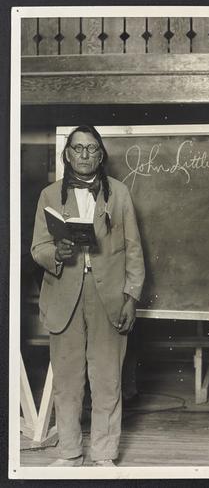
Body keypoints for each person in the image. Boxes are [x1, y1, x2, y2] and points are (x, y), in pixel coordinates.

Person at [31, 125, 145, 467]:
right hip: (63, 297)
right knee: (67, 382)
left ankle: (104, 456)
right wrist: (58, 253)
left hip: (108, 299)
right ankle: (68, 454)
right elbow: (38, 248)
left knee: (107, 380)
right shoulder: (49, 195)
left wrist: (131, 297)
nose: (84, 155)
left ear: (101, 155)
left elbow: (134, 250)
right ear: (67, 154)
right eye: (78, 149)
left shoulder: (119, 194)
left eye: (91, 149)